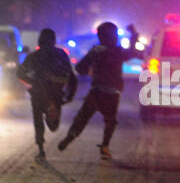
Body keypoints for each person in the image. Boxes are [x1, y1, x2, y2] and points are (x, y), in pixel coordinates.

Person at [58, 22, 141, 160]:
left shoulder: (95, 51)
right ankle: (105, 146)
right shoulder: (118, 51)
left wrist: (90, 70)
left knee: (82, 118)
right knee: (110, 121)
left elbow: (80, 68)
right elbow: (132, 51)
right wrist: (134, 34)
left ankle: (70, 137)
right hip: (113, 93)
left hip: (96, 92)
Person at [17, 29, 78, 159]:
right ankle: (49, 118)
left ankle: (40, 148)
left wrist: (33, 82)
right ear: (54, 40)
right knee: (53, 126)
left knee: (38, 119)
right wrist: (70, 95)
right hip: (56, 94)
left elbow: (20, 73)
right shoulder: (61, 54)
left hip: (38, 93)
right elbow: (71, 76)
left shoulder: (34, 56)